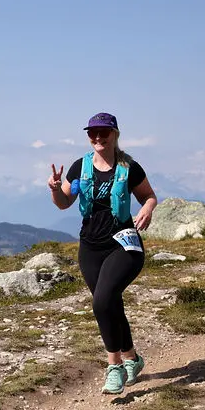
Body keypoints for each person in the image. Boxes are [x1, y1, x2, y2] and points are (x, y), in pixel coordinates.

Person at [48, 112, 158, 395]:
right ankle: (133, 358)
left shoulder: (129, 167)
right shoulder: (79, 167)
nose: (97, 137)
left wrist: (146, 209)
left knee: (102, 302)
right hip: (90, 247)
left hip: (124, 244)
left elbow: (148, 195)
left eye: (103, 132)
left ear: (115, 135)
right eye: (92, 133)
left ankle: (114, 367)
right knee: (109, 304)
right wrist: (53, 189)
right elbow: (63, 202)